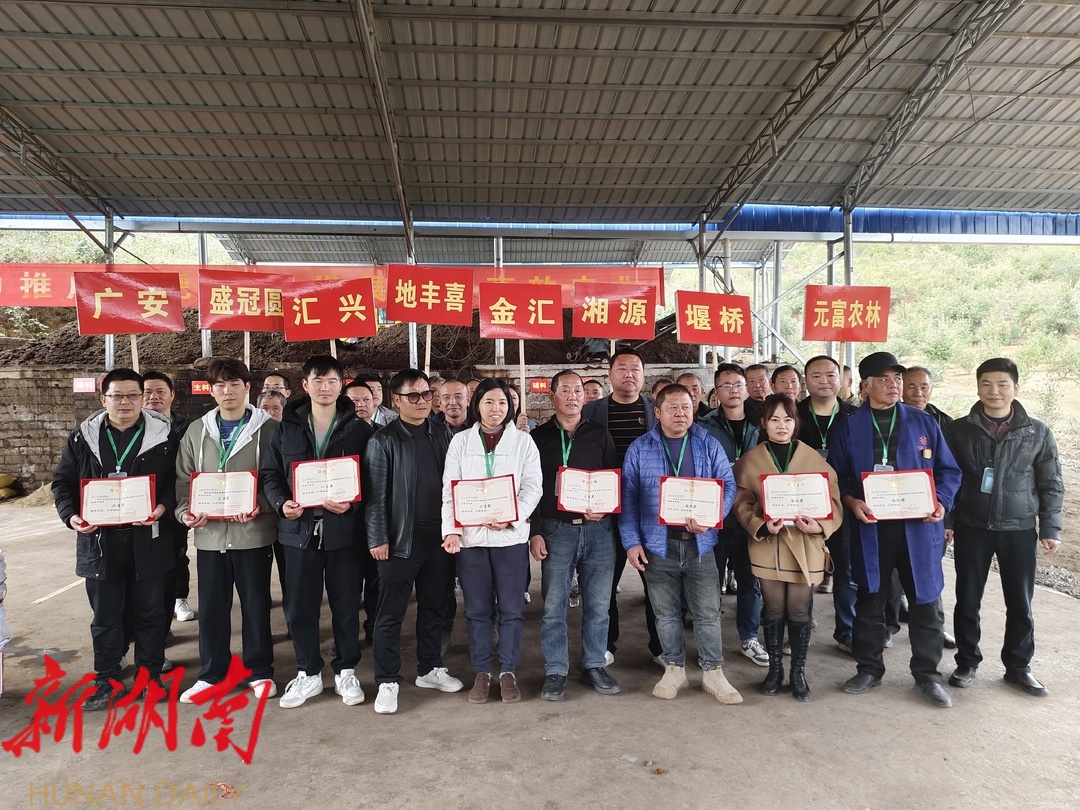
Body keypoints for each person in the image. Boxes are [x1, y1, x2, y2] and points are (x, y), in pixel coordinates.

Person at [828, 352, 961, 708]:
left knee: (925, 603)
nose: (894, 385)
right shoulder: (850, 426)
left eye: (897, 378)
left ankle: (927, 676)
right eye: (885, 379)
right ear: (866, 385)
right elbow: (837, 476)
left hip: (918, 529)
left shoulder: (923, 422)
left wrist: (941, 502)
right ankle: (869, 669)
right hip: (872, 529)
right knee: (870, 600)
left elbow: (949, 471)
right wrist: (851, 501)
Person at [51, 368, 177, 709]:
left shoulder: (165, 437)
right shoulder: (82, 438)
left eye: (133, 395)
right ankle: (105, 679)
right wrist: (71, 516)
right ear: (103, 399)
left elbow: (175, 481)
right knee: (106, 617)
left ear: (142, 398)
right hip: (99, 542)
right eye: (117, 396)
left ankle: (150, 677)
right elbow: (62, 482)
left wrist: (164, 506)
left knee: (151, 613)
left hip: (148, 539)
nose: (126, 402)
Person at [945, 358, 1063, 697]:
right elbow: (947, 478)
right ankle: (967, 661)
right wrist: (948, 522)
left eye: (1002, 384)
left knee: (1020, 602)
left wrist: (1050, 528)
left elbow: (1051, 482)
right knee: (968, 598)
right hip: (972, 525)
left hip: (1018, 527)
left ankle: (1018, 666)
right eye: (986, 384)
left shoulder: (1037, 432)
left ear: (1015, 387)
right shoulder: (958, 430)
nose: (993, 391)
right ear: (977, 386)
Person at [261, 354, 374, 709]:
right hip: (298, 533)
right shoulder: (286, 428)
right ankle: (307, 672)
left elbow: (372, 480)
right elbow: (270, 475)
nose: (325, 387)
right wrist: (282, 503)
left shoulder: (360, 430)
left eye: (332, 381)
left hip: (345, 533)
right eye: (318, 381)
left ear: (342, 386)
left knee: (346, 605)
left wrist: (352, 506)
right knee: (300, 607)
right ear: (305, 385)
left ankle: (345, 671)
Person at [620, 384, 741, 704]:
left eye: (686, 407)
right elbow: (628, 498)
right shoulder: (640, 448)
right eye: (672, 407)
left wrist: (712, 517)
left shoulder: (708, 443)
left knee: (707, 612)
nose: (680, 413)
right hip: (658, 545)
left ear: (694, 409)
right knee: (665, 614)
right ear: (657, 412)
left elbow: (728, 486)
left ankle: (713, 671)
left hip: (701, 544)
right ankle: (674, 668)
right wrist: (631, 542)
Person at [174, 358, 278, 702]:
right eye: (220, 385)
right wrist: (185, 512)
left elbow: (278, 478)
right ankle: (212, 675)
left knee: (256, 606)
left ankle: (260, 671)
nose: (227, 391)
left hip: (253, 534)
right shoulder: (196, 431)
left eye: (234, 384)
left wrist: (259, 504)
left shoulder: (269, 429)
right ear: (211, 390)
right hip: (210, 536)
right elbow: (183, 480)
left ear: (248, 387)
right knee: (212, 609)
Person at [363, 369, 463, 715]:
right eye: (413, 396)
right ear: (396, 400)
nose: (422, 401)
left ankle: (429, 668)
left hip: (439, 538)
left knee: (435, 606)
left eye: (426, 394)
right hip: (400, 540)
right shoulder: (383, 441)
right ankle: (387, 680)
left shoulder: (442, 433)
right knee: (390, 613)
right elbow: (375, 496)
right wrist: (378, 538)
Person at [733, 394, 843, 700]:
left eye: (788, 419)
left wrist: (820, 526)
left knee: (798, 609)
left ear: (796, 423)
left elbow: (833, 501)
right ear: (763, 423)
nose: (781, 425)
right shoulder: (751, 461)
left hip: (806, 545)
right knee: (773, 608)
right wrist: (760, 524)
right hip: (768, 544)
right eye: (774, 420)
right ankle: (774, 670)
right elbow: (742, 503)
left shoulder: (813, 459)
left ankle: (798, 672)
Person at [441, 378, 543, 705]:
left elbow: (533, 487)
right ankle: (483, 671)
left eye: (501, 402)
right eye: (488, 402)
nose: (495, 408)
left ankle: (508, 670)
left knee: (512, 609)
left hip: (510, 538)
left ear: (510, 406)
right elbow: (450, 489)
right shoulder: (460, 442)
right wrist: (452, 530)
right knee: (477, 610)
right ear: (477, 405)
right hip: (471, 539)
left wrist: (512, 517)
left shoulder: (524, 442)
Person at [529, 371, 619, 701]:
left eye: (577, 390)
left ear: (585, 396)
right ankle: (556, 669)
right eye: (564, 390)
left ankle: (594, 664)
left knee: (599, 605)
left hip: (598, 530)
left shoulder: (599, 434)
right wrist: (535, 532)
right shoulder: (538, 438)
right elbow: (532, 488)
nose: (572, 396)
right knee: (554, 606)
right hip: (556, 530)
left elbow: (613, 478)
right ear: (551, 396)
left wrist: (606, 510)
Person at [582, 349, 661, 664]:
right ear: (610, 375)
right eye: (622, 368)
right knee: (603, 581)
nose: (629, 374)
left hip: (649, 509)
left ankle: (660, 647)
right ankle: (605, 644)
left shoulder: (658, 410)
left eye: (635, 369)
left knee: (656, 582)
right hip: (606, 509)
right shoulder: (591, 411)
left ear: (643, 375)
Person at [699, 363, 767, 668]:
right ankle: (709, 641)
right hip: (717, 515)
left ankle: (749, 637)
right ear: (716, 392)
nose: (733, 390)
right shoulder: (704, 426)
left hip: (752, 514)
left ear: (746, 388)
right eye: (726, 385)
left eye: (738, 384)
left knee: (750, 580)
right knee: (710, 580)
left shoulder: (762, 423)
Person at [797, 355, 857, 647]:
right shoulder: (792, 415)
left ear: (842, 380)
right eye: (816, 375)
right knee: (804, 573)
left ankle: (847, 631)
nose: (824, 381)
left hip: (842, 505)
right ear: (806, 381)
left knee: (846, 571)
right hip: (802, 506)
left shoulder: (856, 417)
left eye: (831, 375)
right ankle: (801, 629)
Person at [901, 366, 957, 649]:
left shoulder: (945, 423)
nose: (918, 393)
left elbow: (952, 473)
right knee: (893, 577)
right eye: (911, 386)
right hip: (893, 513)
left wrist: (947, 518)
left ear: (932, 389)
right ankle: (891, 623)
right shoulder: (890, 420)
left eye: (924, 386)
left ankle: (937, 627)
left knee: (929, 574)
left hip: (930, 517)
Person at [143, 370, 193, 628]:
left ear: (172, 395)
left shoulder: (186, 428)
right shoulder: (133, 428)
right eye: (147, 392)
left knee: (177, 553)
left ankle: (179, 598)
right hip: (141, 506)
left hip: (174, 503)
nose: (153, 396)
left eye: (160, 391)